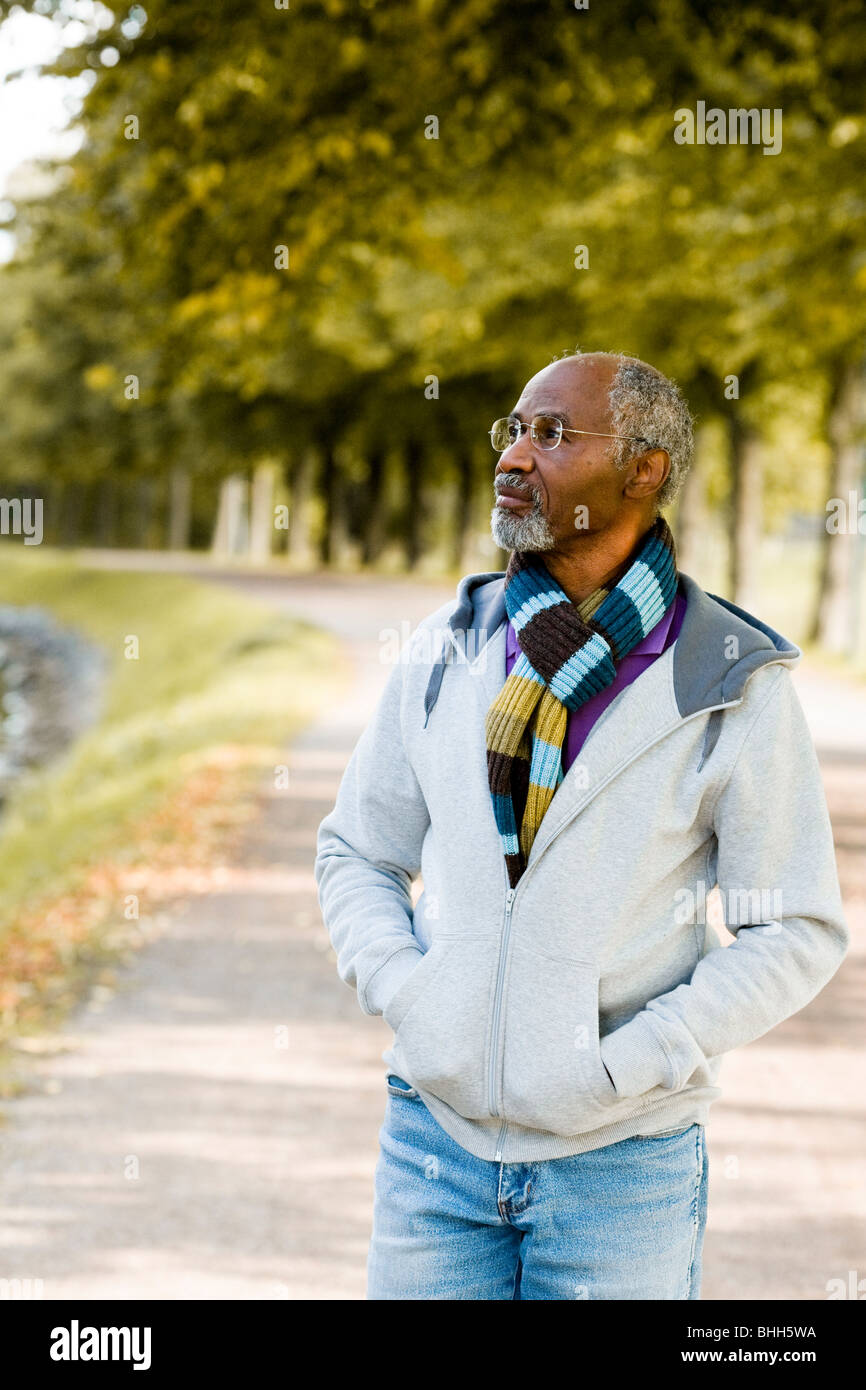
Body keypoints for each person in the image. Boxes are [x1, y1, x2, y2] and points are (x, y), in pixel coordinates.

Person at [314, 348, 849, 1300]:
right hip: (432, 1150)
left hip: (622, 1168)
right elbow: (359, 850)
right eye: (513, 430)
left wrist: (637, 1060)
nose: (515, 455)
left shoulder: (729, 679)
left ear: (643, 470)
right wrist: (408, 991)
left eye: (552, 433)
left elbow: (795, 927)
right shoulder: (447, 648)